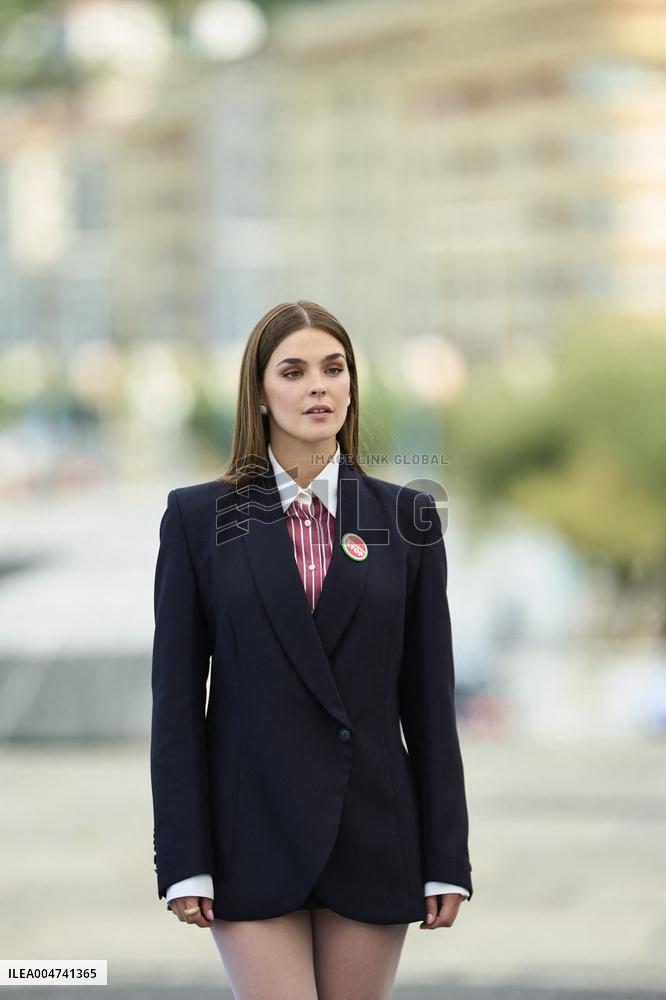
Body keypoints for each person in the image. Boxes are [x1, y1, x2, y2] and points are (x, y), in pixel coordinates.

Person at [150, 299, 473, 999]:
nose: (317, 386)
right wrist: (182, 860)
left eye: (334, 368)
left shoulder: (407, 517)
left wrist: (447, 856)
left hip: (374, 835)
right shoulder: (197, 519)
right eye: (292, 371)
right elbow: (176, 705)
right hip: (248, 838)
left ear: (353, 385)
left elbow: (429, 700)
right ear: (259, 393)